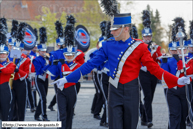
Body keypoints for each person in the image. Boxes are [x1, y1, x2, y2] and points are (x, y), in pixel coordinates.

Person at [51, 12, 191, 129]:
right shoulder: (107, 45)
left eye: (115, 29)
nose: (111, 32)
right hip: (114, 90)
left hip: (132, 90)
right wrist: (67, 78)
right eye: (112, 29)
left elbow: (154, 68)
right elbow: (89, 64)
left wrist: (176, 80)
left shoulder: (140, 46)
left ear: (126, 29)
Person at [139, 10, 162, 128]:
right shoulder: (139, 46)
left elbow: (159, 58)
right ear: (142, 37)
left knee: (150, 96)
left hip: (153, 73)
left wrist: (155, 51)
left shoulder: (156, 46)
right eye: (145, 36)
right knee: (147, 96)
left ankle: (143, 117)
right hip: (143, 73)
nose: (147, 38)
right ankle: (149, 120)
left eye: (149, 36)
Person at [33, 27, 49, 121]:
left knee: (43, 98)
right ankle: (44, 116)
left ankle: (37, 115)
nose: (44, 52)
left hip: (45, 79)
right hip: (39, 79)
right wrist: (49, 65)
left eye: (44, 51)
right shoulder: (36, 59)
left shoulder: (46, 59)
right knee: (43, 98)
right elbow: (40, 71)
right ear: (39, 52)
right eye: (42, 51)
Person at [0, 26, 16, 122]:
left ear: (7, 54)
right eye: (0, 53)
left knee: (5, 112)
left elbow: (7, 71)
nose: (2, 55)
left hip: (5, 89)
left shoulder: (11, 64)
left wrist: (1, 67)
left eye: (4, 54)